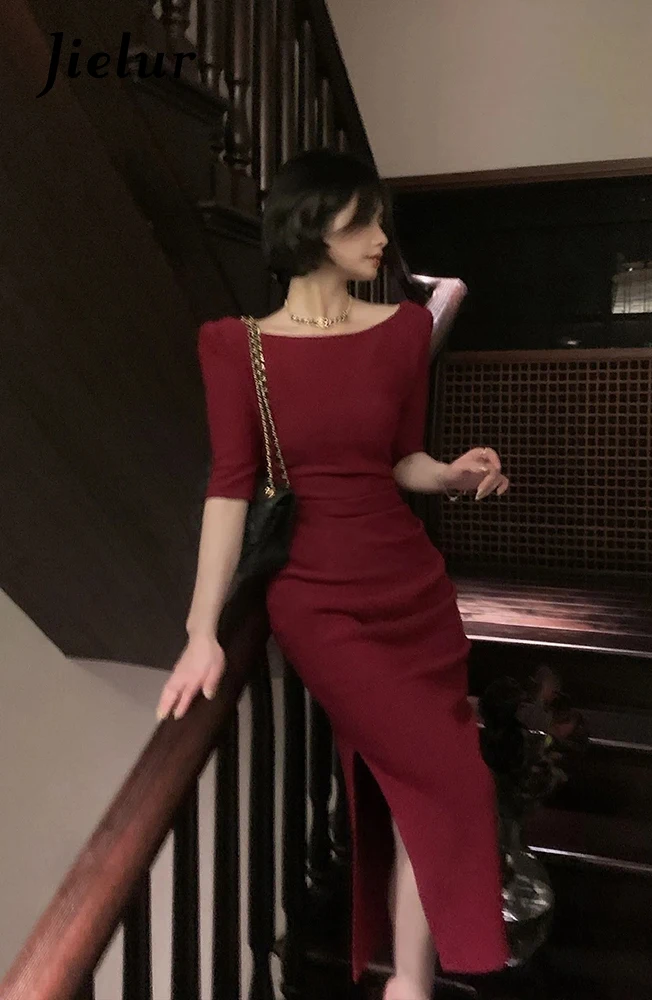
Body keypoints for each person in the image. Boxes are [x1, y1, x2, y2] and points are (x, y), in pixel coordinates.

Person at [156, 149, 511, 1000]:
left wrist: (451, 474)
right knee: (455, 778)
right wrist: (202, 631)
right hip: (317, 601)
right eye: (363, 221)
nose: (382, 238)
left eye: (380, 219)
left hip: (412, 593)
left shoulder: (403, 332)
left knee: (429, 783)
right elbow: (229, 489)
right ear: (311, 226)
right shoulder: (234, 347)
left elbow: (401, 459)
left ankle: (409, 982)